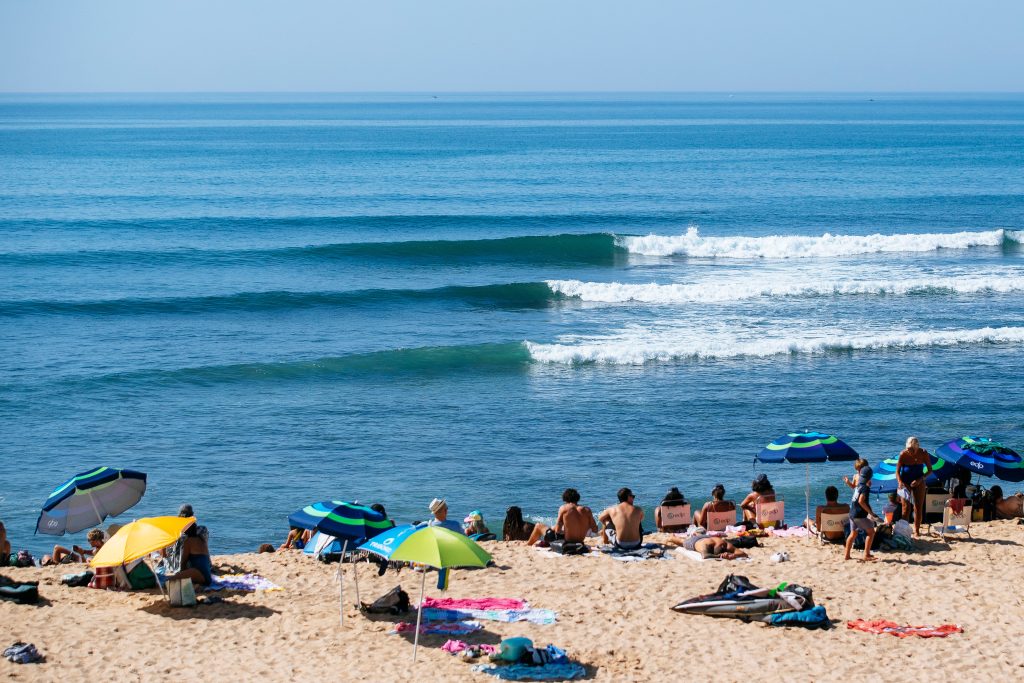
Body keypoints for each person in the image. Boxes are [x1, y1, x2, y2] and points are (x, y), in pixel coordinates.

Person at [844, 462, 881, 562]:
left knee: (853, 534)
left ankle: (847, 555)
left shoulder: (859, 485)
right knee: (871, 532)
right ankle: (866, 554)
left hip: (852, 513)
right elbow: (861, 501)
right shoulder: (865, 488)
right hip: (859, 515)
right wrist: (871, 513)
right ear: (870, 477)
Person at [896, 436, 933, 537]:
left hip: (919, 481)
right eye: (908, 448)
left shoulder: (923, 453)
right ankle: (904, 530)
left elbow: (930, 470)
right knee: (905, 508)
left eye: (911, 449)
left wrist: (920, 479)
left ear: (917, 447)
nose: (909, 450)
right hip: (905, 482)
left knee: (918, 507)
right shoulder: (903, 454)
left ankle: (917, 530)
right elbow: (897, 472)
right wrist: (899, 482)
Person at [668, 534, 748, 560]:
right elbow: (705, 555)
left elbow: (743, 554)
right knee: (682, 542)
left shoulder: (724, 544)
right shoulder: (706, 544)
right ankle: (671, 537)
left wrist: (734, 555)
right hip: (695, 541)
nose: (725, 550)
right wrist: (720, 556)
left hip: (707, 536)